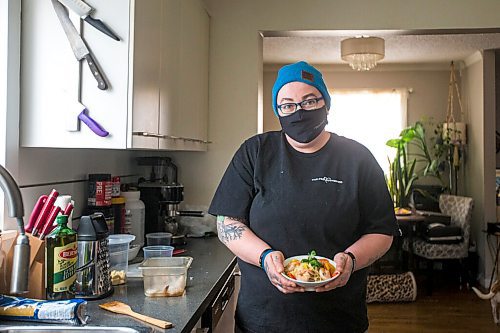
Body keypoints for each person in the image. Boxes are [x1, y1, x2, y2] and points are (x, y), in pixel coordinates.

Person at [208, 61, 399, 333]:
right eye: (287, 105)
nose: (298, 112)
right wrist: (265, 258)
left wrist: (351, 261)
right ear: (278, 110)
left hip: (339, 318)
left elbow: (382, 231)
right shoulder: (255, 152)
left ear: (326, 104)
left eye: (309, 101)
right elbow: (228, 223)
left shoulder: (358, 158)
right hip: (264, 319)